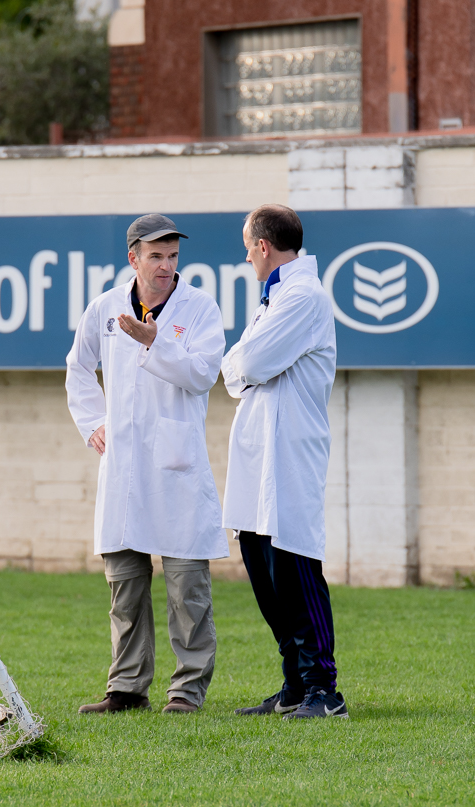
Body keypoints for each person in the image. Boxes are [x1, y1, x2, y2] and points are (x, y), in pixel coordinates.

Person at [66, 214, 228, 715]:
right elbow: (77, 367)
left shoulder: (199, 308)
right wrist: (93, 421)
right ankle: (127, 688)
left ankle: (186, 691)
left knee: (187, 591)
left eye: (173, 255)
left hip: (176, 466)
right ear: (133, 257)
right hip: (123, 468)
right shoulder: (105, 307)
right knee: (125, 586)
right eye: (155, 255)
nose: (166, 265)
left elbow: (203, 374)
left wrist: (155, 341)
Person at [221, 204, 348, 720]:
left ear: (261, 247)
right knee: (263, 568)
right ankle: (294, 683)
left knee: (295, 565)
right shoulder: (274, 299)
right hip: (258, 453)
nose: (246, 256)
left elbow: (245, 363)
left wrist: (244, 367)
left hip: (290, 452)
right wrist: (245, 368)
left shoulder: (303, 297)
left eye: (247, 247)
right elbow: (238, 372)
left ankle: (325, 688)